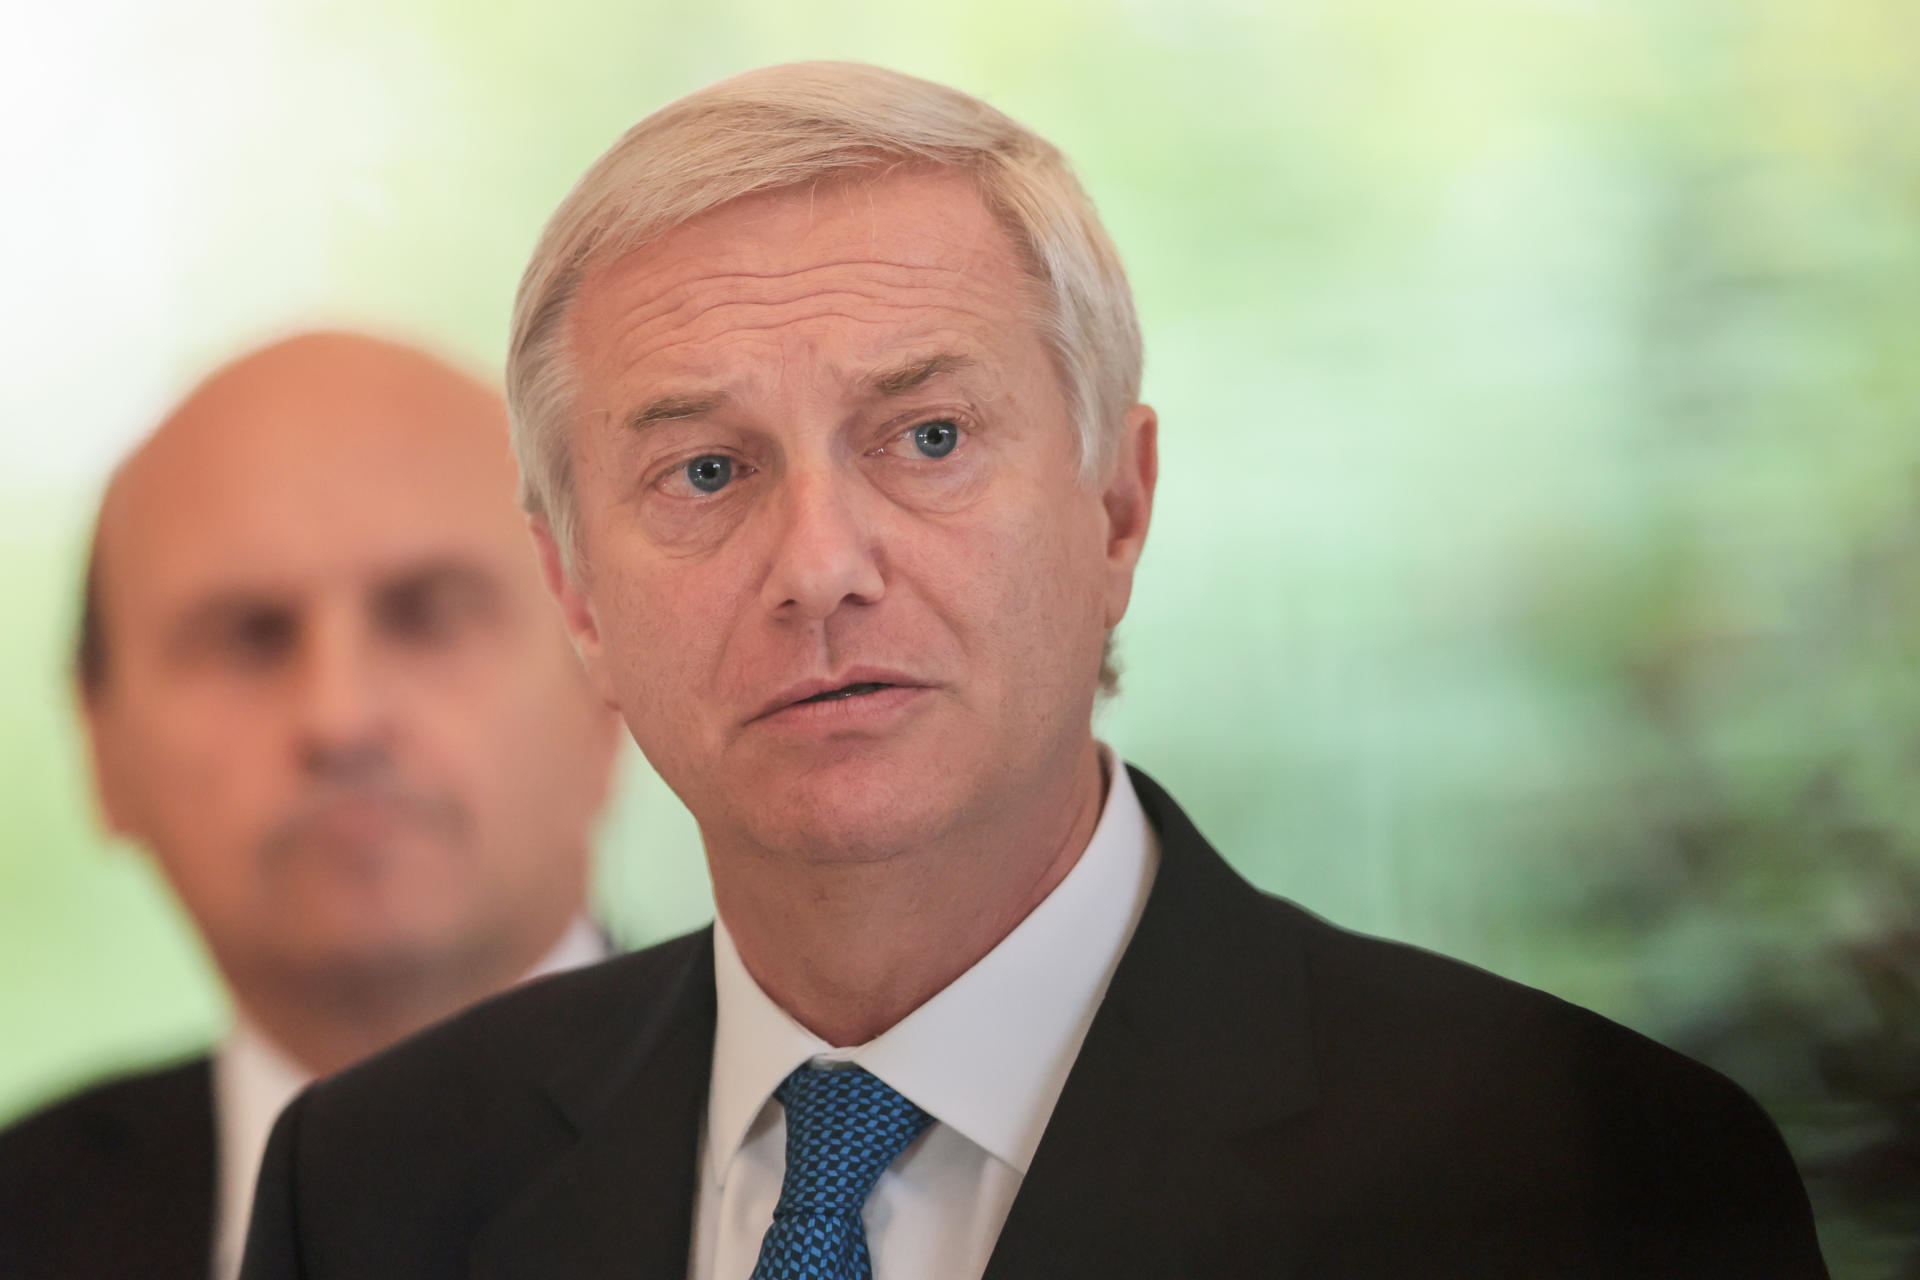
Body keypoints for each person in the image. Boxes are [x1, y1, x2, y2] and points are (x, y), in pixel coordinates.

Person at [238, 65, 1829, 1279]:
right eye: (706, 474)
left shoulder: (1592, 1181)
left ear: (1118, 505)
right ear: (575, 591)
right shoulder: (375, 1190)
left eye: (928, 438)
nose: (819, 565)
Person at [0, 332, 624, 1280]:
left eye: (426, 613)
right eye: (249, 637)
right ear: (100, 748)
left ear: (607, 687)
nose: (340, 718)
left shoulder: (832, 1178)